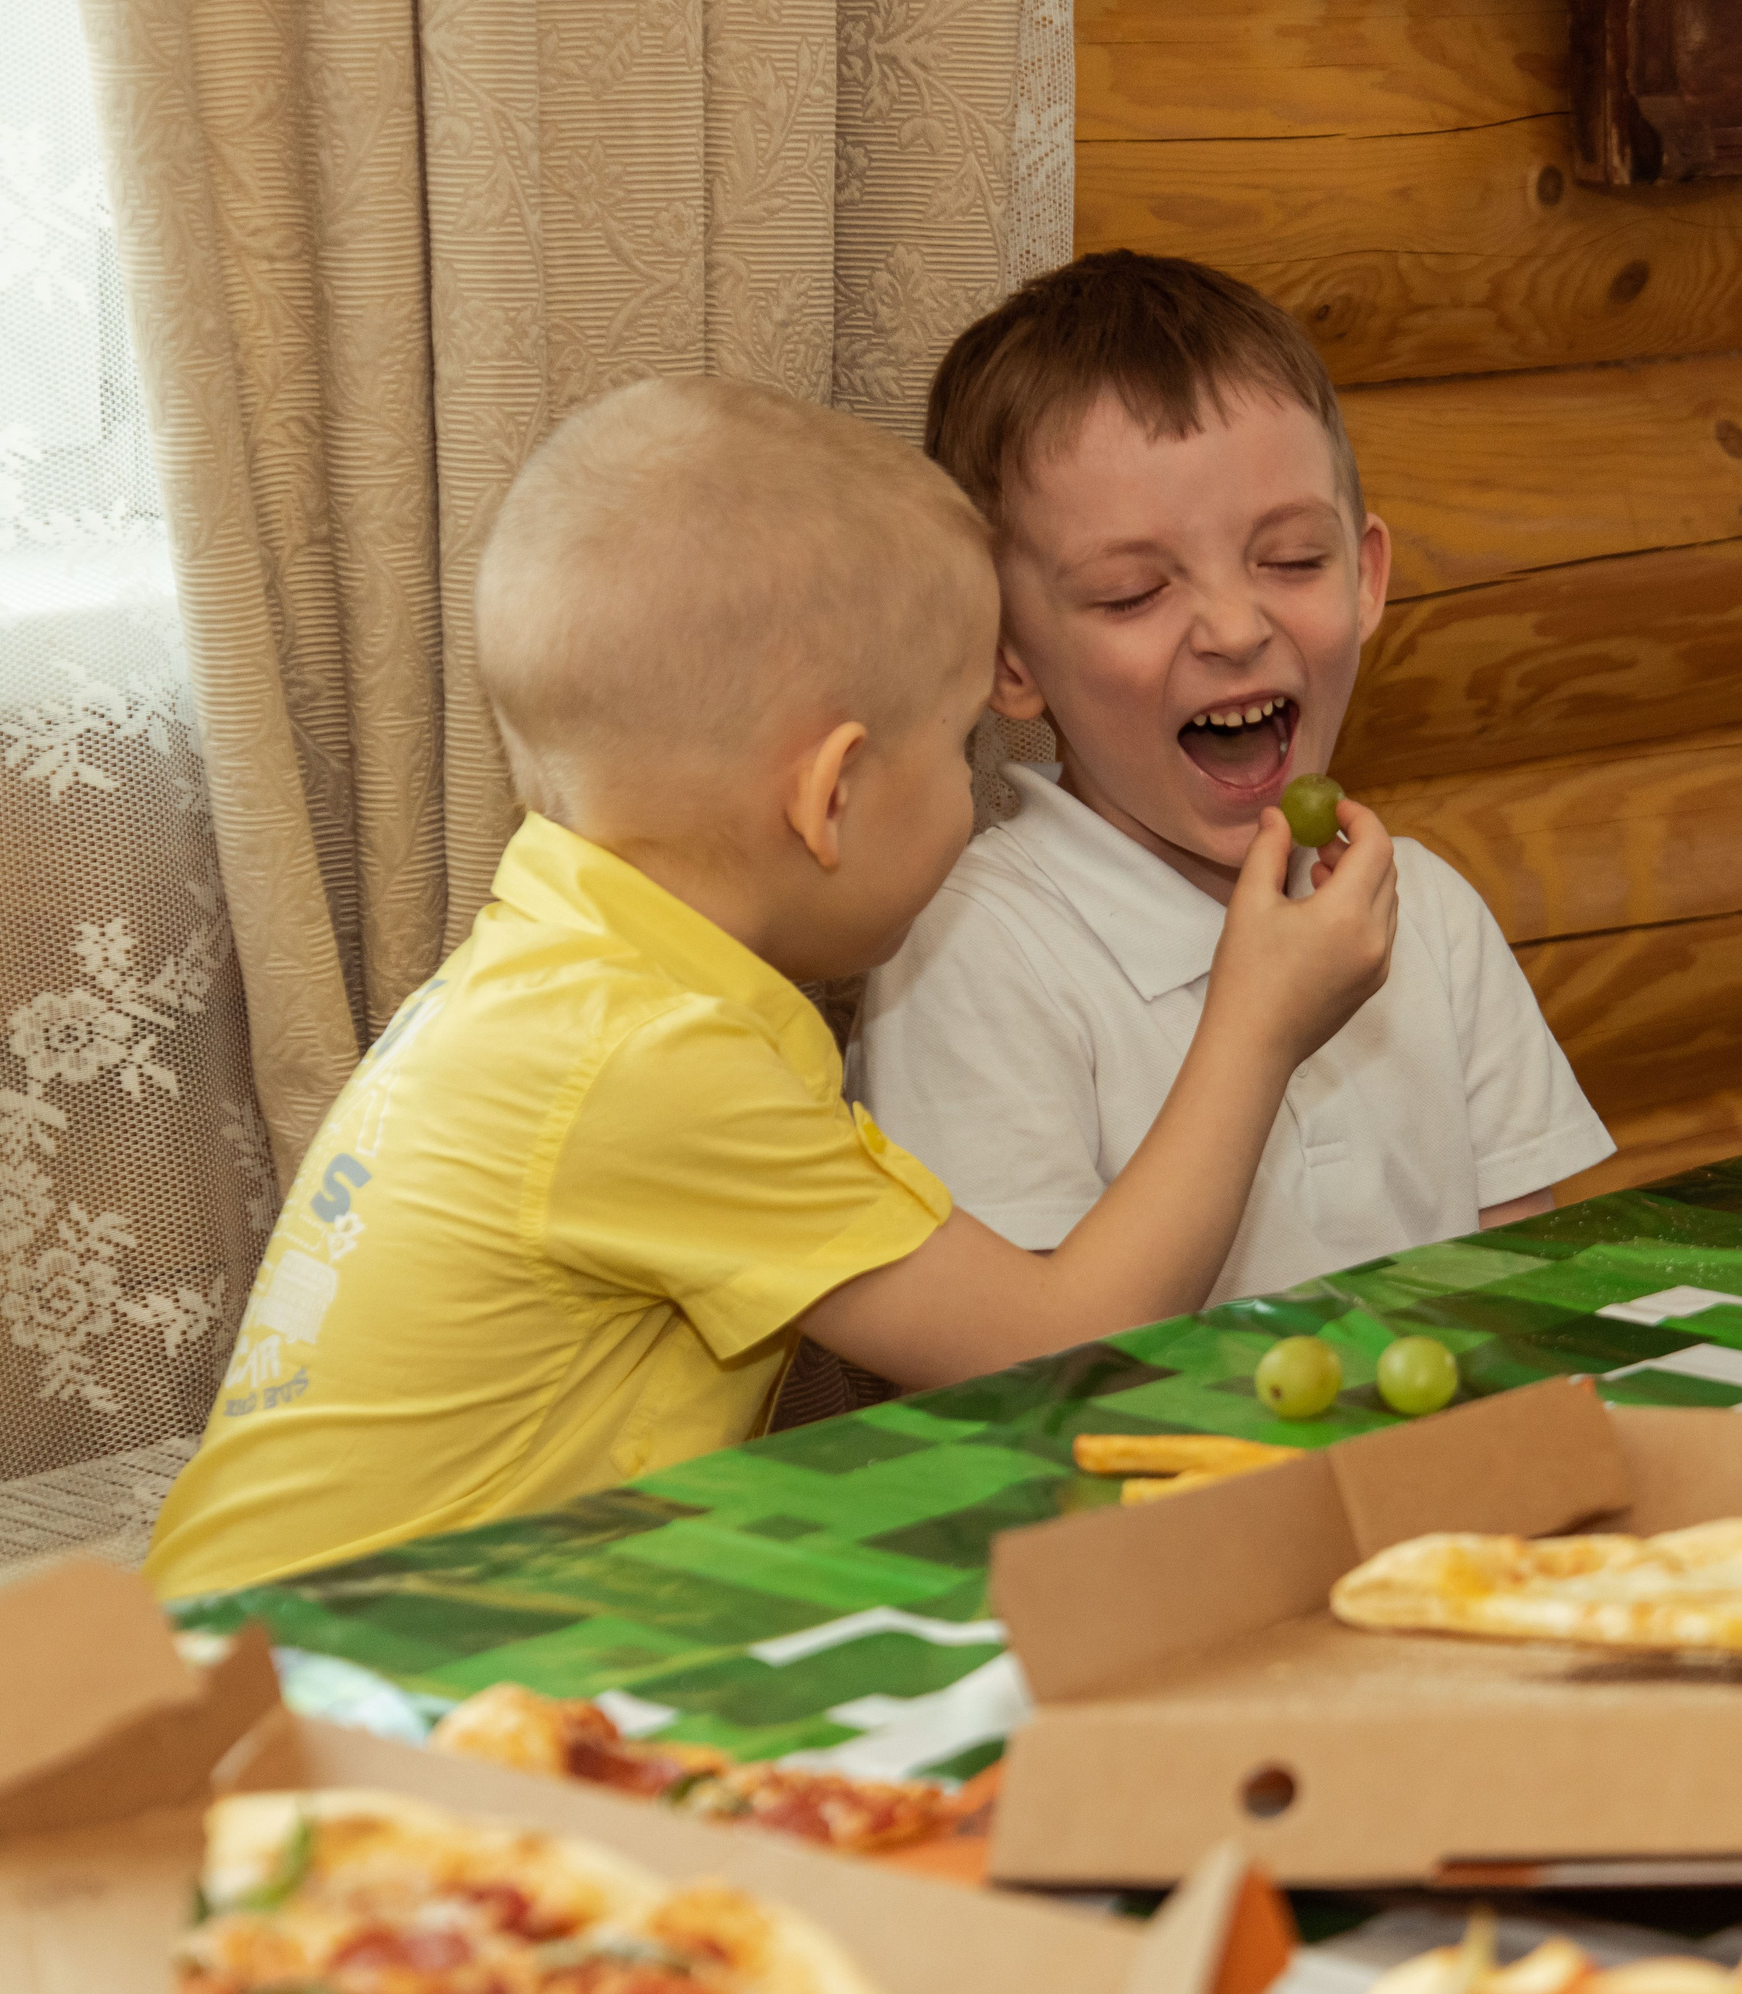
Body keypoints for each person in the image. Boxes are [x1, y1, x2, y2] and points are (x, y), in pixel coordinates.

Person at [143, 375, 1396, 1598]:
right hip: (321, 1680)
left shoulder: (564, 969)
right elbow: (1056, 1343)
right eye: (963, 743)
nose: (973, 792)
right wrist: (1257, 1024)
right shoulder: (651, 1061)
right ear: (831, 794)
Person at [850, 252, 1613, 1305]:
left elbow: (1523, 1295)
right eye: (1129, 593)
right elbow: (1025, 1381)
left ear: (1365, 579)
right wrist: (1259, 1028)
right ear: (1005, 656)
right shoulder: (969, 954)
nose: (1234, 627)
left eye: (1293, 560)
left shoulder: (1425, 911)